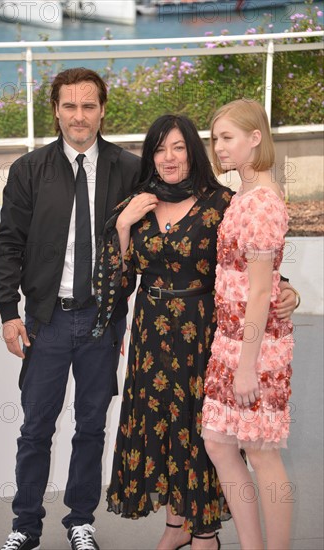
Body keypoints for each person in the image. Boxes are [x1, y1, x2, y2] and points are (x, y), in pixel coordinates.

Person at [92, 114, 297, 550]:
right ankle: (176, 525)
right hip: (151, 333)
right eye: (160, 148)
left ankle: (205, 531)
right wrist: (124, 226)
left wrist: (288, 291)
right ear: (150, 155)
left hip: (204, 331)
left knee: (201, 435)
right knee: (165, 429)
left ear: (193, 152)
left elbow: (252, 264)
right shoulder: (137, 203)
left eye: (179, 147)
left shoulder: (222, 200)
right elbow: (115, 281)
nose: (169, 157)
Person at [0, 67, 141, 550]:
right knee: (36, 428)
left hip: (102, 320)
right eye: (70, 106)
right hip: (46, 321)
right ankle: (24, 526)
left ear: (102, 110)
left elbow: (167, 231)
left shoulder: (129, 169)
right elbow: (8, 244)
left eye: (89, 105)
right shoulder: (28, 170)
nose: (80, 116)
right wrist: (8, 311)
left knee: (92, 426)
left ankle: (81, 521)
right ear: (56, 110)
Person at [202, 99, 295, 550]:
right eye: (216, 137)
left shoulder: (260, 204)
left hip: (253, 347)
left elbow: (260, 291)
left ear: (255, 138)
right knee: (219, 442)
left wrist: (246, 364)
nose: (218, 147)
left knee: (261, 450)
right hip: (229, 339)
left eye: (227, 137)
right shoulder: (243, 196)